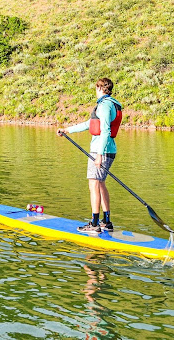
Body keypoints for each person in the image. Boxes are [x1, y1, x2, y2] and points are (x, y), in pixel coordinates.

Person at [57, 78, 122, 234]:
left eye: (96, 88)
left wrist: (99, 155)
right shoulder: (110, 103)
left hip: (101, 150)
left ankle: (94, 224)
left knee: (93, 184)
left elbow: (105, 131)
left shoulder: (105, 106)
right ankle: (106, 221)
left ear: (100, 88)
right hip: (106, 149)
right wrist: (67, 130)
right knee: (100, 183)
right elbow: (89, 124)